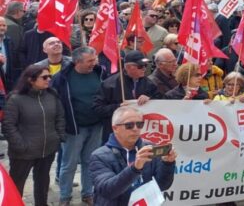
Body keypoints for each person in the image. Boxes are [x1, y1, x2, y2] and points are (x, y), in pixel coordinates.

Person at [2, 64, 65, 206]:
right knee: (17, 185)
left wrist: (58, 136)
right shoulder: (16, 99)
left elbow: (60, 117)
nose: (49, 79)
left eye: (50, 76)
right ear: (31, 80)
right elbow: (8, 126)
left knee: (42, 183)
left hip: (47, 149)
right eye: (44, 77)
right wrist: (21, 145)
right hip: (23, 153)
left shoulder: (52, 94)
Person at [88, 106, 176, 206]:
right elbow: (108, 191)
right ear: (115, 128)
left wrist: (167, 164)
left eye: (139, 124)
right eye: (129, 125)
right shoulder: (99, 156)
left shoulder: (149, 149)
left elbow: (162, 185)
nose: (135, 129)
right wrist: (135, 168)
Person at [52, 46, 106, 205]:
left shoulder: (100, 73)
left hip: (96, 126)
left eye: (94, 59)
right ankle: (65, 196)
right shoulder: (61, 78)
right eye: (90, 61)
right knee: (69, 164)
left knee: (91, 162)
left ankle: (88, 193)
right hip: (73, 129)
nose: (94, 63)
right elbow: (53, 102)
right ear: (77, 62)